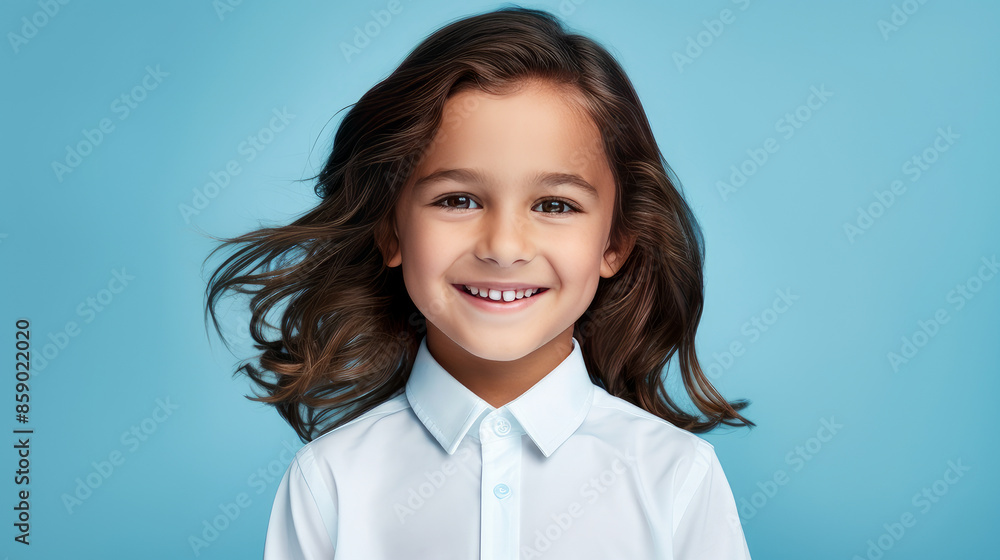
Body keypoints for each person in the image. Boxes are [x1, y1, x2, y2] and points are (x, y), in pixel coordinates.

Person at [204, 6, 755, 559]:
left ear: (615, 243)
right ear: (390, 231)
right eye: (458, 200)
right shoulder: (330, 481)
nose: (504, 248)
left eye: (555, 205)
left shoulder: (677, 476)